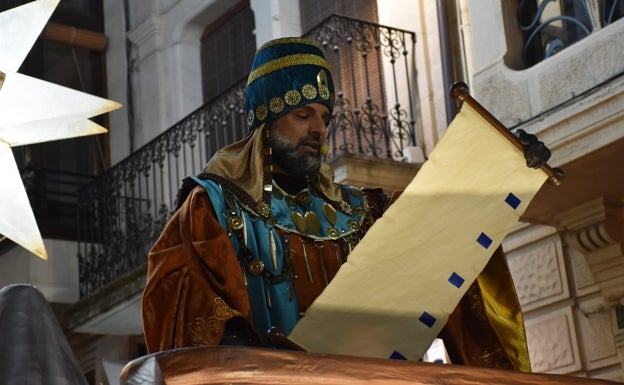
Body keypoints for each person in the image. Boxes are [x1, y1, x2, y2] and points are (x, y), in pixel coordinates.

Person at [142, 37, 551, 371]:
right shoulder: (211, 208)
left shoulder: (366, 212)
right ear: (266, 121)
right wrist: (264, 362)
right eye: (303, 114)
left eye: (325, 117)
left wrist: (498, 166)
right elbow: (186, 312)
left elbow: (445, 238)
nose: (319, 128)